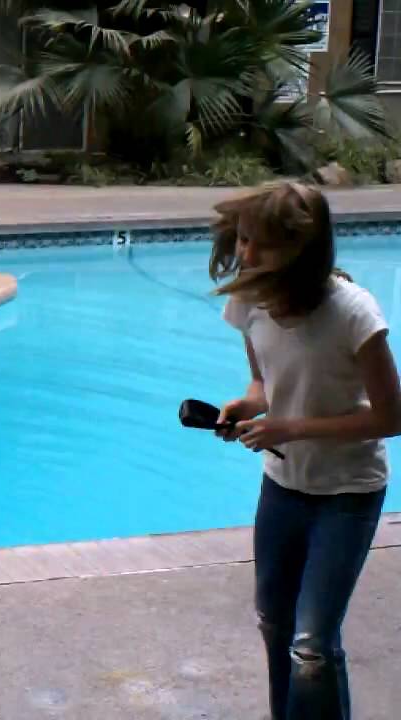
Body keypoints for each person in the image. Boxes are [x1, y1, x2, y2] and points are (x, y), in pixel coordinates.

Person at [210, 182, 400, 719]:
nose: (246, 255)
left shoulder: (354, 314)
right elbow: (260, 382)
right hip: (283, 489)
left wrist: (287, 429)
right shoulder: (251, 300)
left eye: (260, 244)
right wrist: (247, 407)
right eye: (243, 240)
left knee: (312, 647)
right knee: (274, 621)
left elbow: (391, 418)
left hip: (347, 493)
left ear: (302, 248)